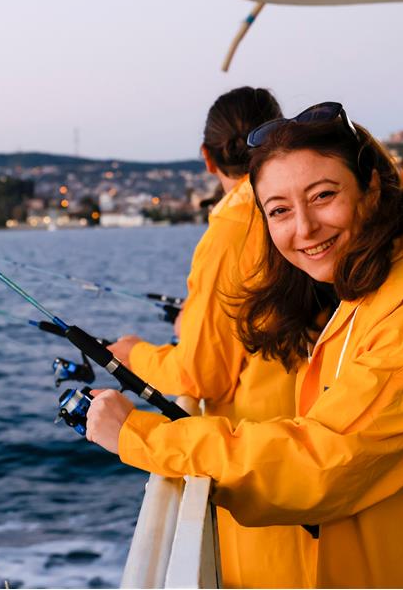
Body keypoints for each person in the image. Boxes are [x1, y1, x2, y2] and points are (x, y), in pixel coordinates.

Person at [89, 102, 403, 588]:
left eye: (324, 195)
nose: (304, 228)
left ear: (371, 185)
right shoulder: (381, 275)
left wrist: (139, 436)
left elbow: (325, 461)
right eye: (280, 210)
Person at [108, 87, 317, 588]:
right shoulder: (305, 212)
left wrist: (132, 355)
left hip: (271, 478)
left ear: (207, 158)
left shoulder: (230, 231)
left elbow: (202, 374)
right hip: (310, 449)